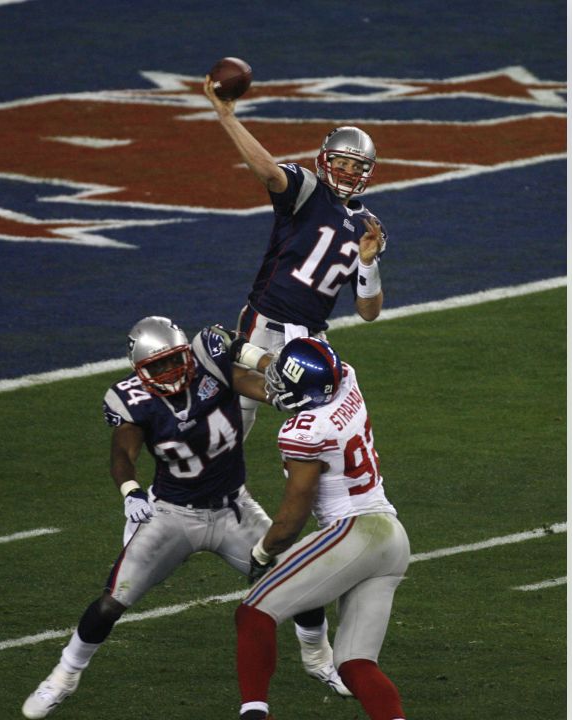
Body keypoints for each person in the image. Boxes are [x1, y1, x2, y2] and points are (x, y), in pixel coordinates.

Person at [21, 317, 350, 719]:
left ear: (185, 353)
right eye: (157, 366)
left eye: (174, 360)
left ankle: (319, 660)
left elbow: (262, 388)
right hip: (172, 516)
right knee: (112, 602)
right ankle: (64, 675)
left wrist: (286, 389)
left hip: (234, 509)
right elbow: (122, 453)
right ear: (139, 369)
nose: (169, 372)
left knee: (300, 580)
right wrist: (130, 492)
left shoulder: (210, 366)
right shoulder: (131, 399)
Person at [228, 336, 411, 720]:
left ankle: (254, 714)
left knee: (254, 614)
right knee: (355, 665)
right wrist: (243, 352)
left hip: (354, 532)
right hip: (392, 539)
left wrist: (263, 551)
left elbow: (293, 515)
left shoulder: (304, 432)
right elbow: (289, 380)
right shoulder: (345, 378)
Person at [203, 75, 389, 439]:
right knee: (234, 421)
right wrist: (227, 117)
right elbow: (269, 173)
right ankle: (214, 489)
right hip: (264, 323)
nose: (348, 172)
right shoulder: (306, 189)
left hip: (312, 337)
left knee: (329, 426)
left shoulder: (370, 226)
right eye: (342, 163)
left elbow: (369, 312)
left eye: (357, 167)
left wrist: (368, 262)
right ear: (324, 160)